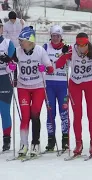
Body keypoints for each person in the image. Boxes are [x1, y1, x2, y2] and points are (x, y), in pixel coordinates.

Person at [56, 32, 92, 156]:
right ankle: (78, 142)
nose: (81, 48)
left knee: (91, 114)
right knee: (77, 114)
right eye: (79, 45)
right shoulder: (72, 50)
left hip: (90, 84)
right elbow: (59, 65)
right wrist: (64, 54)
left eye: (83, 45)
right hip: (75, 84)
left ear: (87, 43)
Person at [13, 26, 54, 156]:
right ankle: (23, 144)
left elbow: (50, 68)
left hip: (38, 87)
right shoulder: (18, 51)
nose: (20, 43)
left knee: (35, 114)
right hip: (23, 86)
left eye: (22, 40)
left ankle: (35, 143)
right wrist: (11, 66)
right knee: (25, 116)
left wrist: (45, 68)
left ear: (29, 41)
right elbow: (11, 65)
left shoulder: (40, 50)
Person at [43, 25, 69, 152]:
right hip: (49, 85)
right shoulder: (45, 47)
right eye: (53, 36)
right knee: (50, 113)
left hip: (62, 84)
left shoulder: (67, 48)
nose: (55, 38)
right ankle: (51, 140)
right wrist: (44, 68)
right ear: (50, 36)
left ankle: (65, 140)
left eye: (58, 36)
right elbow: (39, 64)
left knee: (64, 113)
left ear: (61, 36)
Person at [0, 19, 16, 152]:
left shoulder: (8, 43)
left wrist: (8, 61)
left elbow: (13, 65)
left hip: (4, 79)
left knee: (4, 111)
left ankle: (6, 140)